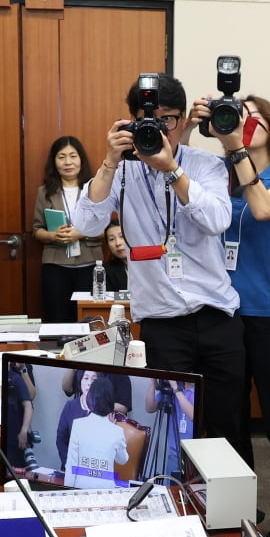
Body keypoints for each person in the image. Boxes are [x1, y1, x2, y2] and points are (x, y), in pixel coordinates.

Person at [74, 72, 246, 455]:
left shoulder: (205, 166)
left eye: (168, 119)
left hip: (217, 314)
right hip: (164, 323)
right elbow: (86, 224)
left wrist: (172, 169)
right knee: (174, 426)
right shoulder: (122, 171)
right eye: (148, 119)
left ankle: (233, 512)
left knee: (227, 422)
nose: (159, 128)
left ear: (183, 120)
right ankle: (179, 505)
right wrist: (107, 162)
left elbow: (217, 220)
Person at [192, 92, 270, 537]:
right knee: (229, 421)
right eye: (237, 117)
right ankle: (242, 508)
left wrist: (235, 149)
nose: (243, 123)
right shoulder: (215, 175)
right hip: (223, 313)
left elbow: (262, 208)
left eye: (253, 118)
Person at [32, 136, 103, 321]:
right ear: (54, 161)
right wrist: (53, 235)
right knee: (57, 319)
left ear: (81, 159)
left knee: (89, 320)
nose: (68, 162)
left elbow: (105, 228)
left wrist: (81, 232)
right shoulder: (44, 192)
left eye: (73, 156)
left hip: (90, 265)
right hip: (56, 265)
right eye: (61, 157)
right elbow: (37, 229)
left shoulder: (95, 189)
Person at [64, 377, 129, 488]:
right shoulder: (117, 431)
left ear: (90, 398)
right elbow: (122, 460)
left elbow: (71, 465)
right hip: (105, 492)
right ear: (111, 401)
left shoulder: (78, 425)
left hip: (80, 488)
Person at [103, 220, 129, 291]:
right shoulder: (106, 271)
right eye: (111, 239)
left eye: (122, 236)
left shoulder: (150, 264)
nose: (118, 243)